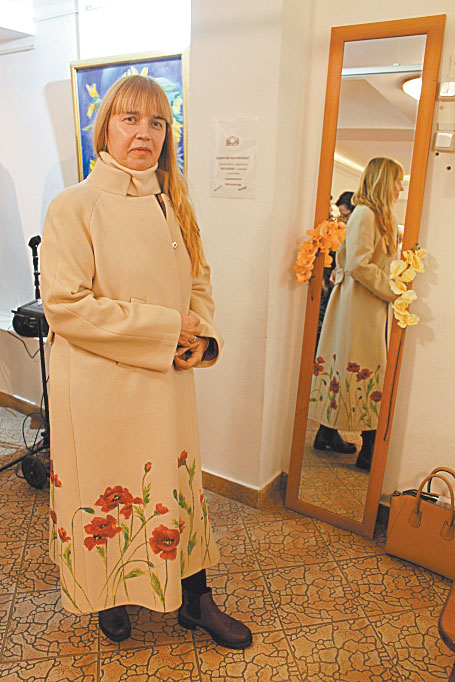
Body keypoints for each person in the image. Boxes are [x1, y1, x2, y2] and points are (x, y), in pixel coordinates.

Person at [40, 75, 252, 649]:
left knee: (175, 487)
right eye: (130, 119)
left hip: (166, 383)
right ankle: (108, 593)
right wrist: (166, 328)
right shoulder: (74, 206)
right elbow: (66, 306)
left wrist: (200, 337)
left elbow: (199, 283)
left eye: (157, 122)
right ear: (104, 128)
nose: (144, 133)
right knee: (111, 491)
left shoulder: (173, 202)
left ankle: (195, 598)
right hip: (100, 389)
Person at [310, 158, 404, 471]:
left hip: (365, 302)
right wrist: (392, 288)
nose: (400, 188)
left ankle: (327, 432)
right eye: (396, 181)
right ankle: (368, 447)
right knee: (366, 365)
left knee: (352, 364)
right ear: (383, 181)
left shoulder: (378, 215)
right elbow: (358, 264)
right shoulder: (365, 213)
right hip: (360, 304)